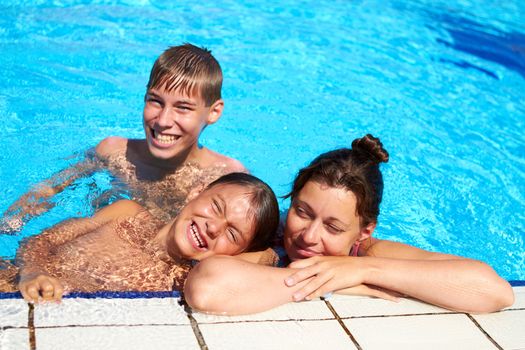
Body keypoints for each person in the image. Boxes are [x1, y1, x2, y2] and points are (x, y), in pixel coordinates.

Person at [184, 135, 515, 315]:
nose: (308, 236)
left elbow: (495, 292)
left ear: (364, 230)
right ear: (293, 198)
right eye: (302, 211)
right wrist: (329, 282)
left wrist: (359, 272)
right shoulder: (270, 235)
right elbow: (206, 287)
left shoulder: (367, 252)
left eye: (333, 227)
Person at [1, 43, 245, 233]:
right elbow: (52, 187)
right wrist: (13, 219)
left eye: (182, 108)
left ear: (213, 112)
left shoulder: (225, 177)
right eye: (155, 101)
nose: (163, 120)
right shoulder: (113, 152)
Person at [0, 173, 279, 303]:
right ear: (196, 193)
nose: (214, 228)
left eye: (232, 233)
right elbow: (42, 241)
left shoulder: (184, 280)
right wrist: (32, 272)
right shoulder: (126, 213)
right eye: (216, 206)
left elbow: (266, 259)